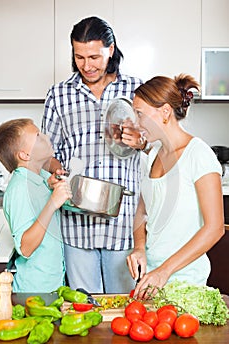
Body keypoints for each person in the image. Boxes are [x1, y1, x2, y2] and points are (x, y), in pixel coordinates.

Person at [41, 16, 146, 293]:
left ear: (110, 50)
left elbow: (158, 144)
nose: (87, 66)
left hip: (123, 221)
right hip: (76, 224)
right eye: (79, 57)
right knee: (83, 312)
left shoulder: (136, 90)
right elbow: (46, 153)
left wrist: (141, 140)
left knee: (124, 311)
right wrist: (55, 170)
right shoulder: (59, 95)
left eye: (94, 57)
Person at [126, 74, 225, 298]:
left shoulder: (198, 154)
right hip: (151, 280)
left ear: (165, 112)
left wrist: (164, 271)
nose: (137, 123)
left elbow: (215, 228)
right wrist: (139, 247)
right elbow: (142, 212)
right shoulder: (152, 155)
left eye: (140, 114)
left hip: (186, 282)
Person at [0, 118, 72, 293]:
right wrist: (52, 203)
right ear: (25, 155)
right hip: (35, 290)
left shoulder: (41, 177)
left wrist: (49, 187)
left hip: (54, 284)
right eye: (38, 136)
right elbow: (25, 248)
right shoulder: (19, 188)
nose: (45, 137)